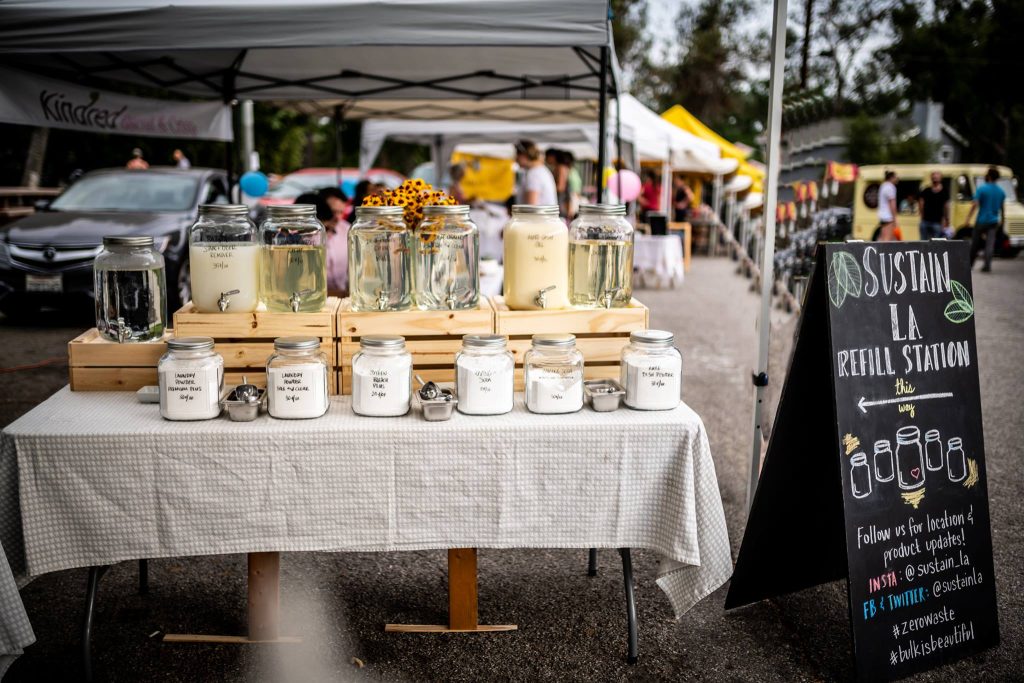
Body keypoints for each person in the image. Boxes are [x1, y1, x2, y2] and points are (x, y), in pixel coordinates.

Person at [295, 192, 348, 296]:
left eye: (341, 212)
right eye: (333, 212)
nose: (336, 218)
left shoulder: (347, 230)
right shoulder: (300, 240)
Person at [966, 166, 1007, 272]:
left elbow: (975, 204)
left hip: (981, 220)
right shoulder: (1001, 192)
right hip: (994, 221)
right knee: (990, 244)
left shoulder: (982, 189)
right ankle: (987, 265)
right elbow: (1002, 208)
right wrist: (1002, 220)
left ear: (988, 176)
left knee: (975, 243)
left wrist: (968, 218)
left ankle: (969, 265)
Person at [514, 140, 558, 206]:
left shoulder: (534, 174)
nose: (516, 158)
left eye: (517, 154)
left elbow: (531, 207)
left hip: (537, 216)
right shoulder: (540, 170)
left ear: (524, 155)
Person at [917, 171, 948, 240]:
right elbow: (920, 202)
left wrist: (946, 219)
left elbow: (946, 207)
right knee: (923, 243)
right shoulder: (926, 190)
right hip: (925, 221)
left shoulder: (944, 191)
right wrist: (922, 215)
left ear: (940, 178)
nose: (935, 178)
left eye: (937, 177)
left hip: (937, 222)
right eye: (934, 177)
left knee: (935, 243)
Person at [877, 170, 899, 241]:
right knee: (887, 239)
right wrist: (895, 218)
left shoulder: (883, 185)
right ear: (891, 177)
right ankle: (883, 252)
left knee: (882, 237)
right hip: (888, 216)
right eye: (895, 177)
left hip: (882, 215)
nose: (897, 179)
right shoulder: (890, 187)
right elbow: (892, 204)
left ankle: (877, 250)